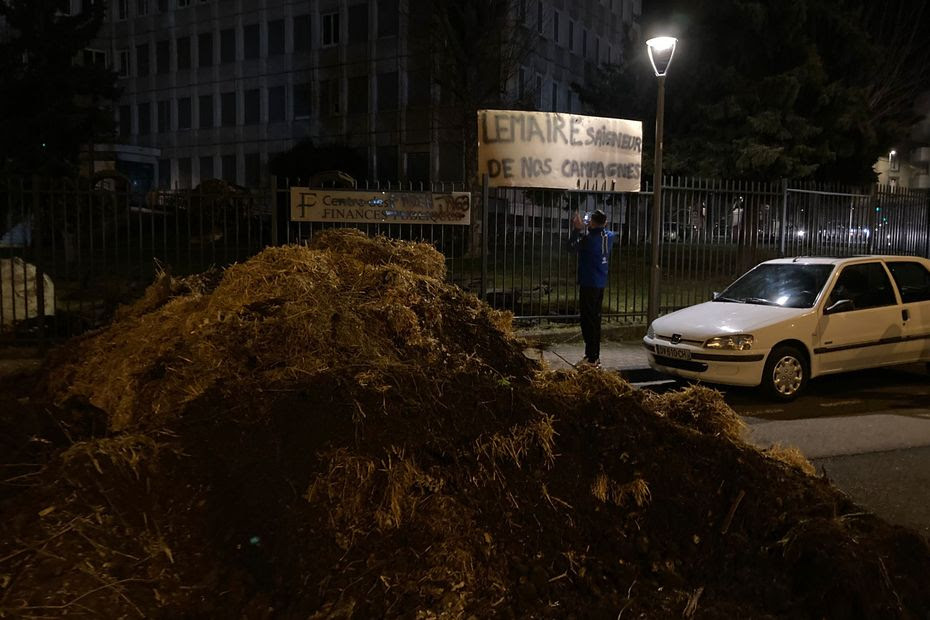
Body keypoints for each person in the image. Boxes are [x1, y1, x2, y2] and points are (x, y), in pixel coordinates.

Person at [569, 208, 617, 367]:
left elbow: (571, 247)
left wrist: (577, 229)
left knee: (587, 321)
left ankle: (591, 358)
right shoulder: (609, 236)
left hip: (588, 282)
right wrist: (591, 226)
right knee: (595, 320)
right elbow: (599, 231)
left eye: (589, 220)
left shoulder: (589, 239)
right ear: (606, 222)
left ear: (592, 222)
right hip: (600, 282)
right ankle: (593, 356)